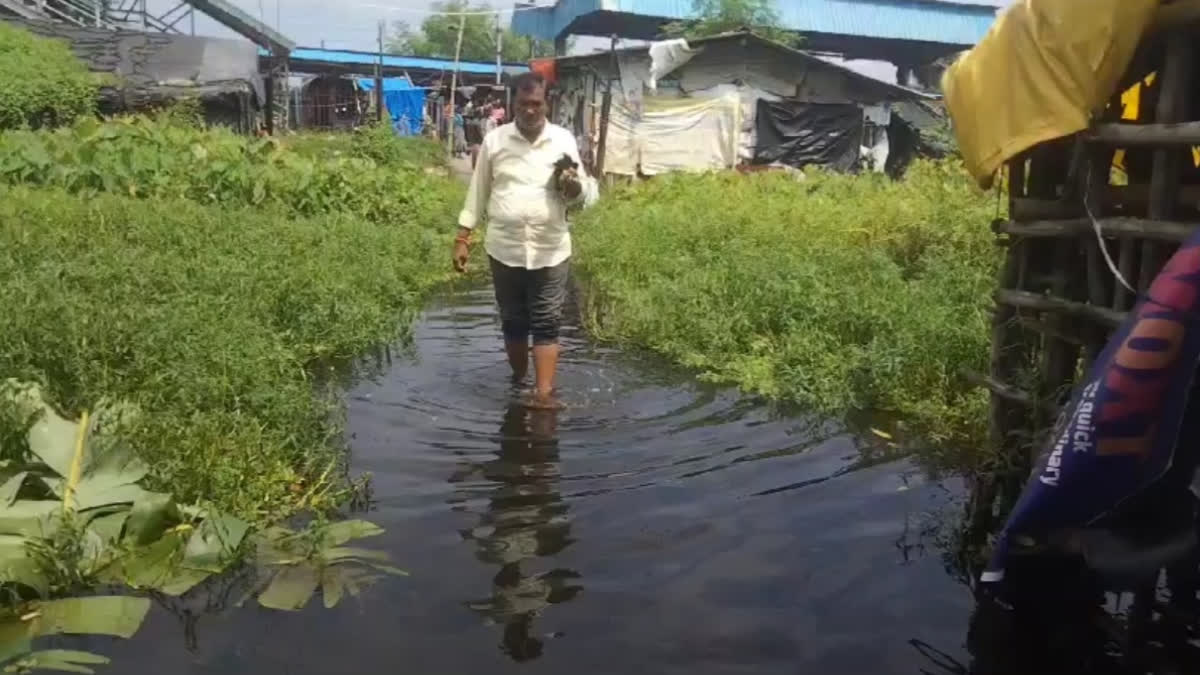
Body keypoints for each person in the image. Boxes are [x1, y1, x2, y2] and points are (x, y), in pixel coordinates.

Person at [452, 72, 598, 408]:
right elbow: (479, 191)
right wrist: (463, 235)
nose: (530, 110)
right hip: (504, 248)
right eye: (523, 104)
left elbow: (585, 193)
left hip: (551, 248)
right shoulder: (495, 141)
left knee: (547, 321)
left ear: (546, 103)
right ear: (512, 103)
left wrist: (575, 188)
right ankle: (519, 384)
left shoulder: (562, 141)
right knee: (513, 321)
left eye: (536, 103)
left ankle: (544, 395)